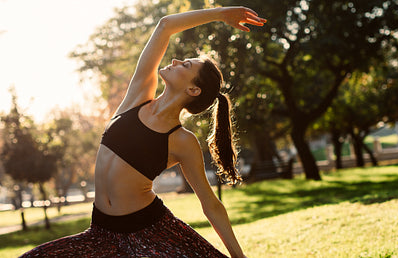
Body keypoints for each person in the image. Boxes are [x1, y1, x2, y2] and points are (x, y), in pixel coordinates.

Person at [21, 6, 266, 258]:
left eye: (186, 64)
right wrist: (220, 14)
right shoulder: (137, 97)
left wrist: (239, 257)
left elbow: (210, 204)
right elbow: (165, 25)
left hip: (150, 233)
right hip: (100, 233)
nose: (175, 61)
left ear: (193, 90)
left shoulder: (182, 140)